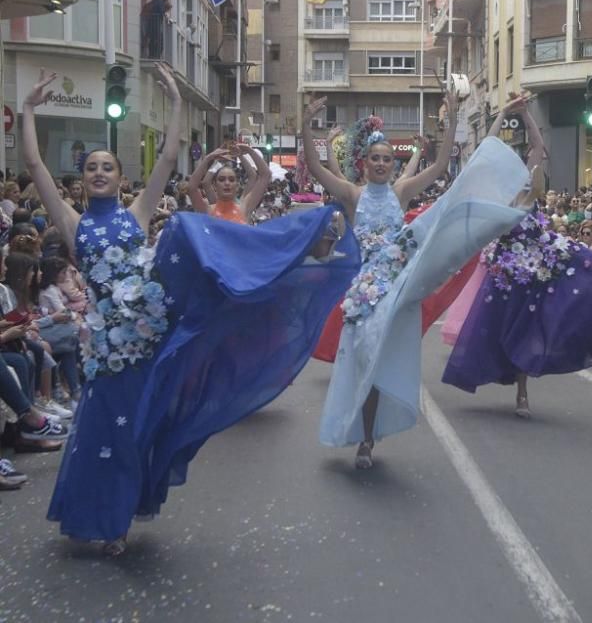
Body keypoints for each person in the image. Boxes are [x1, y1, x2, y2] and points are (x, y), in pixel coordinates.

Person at [24, 65, 359, 555]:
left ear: (119, 180)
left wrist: (179, 102)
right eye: (91, 167)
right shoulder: (73, 225)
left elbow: (166, 159)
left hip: (146, 341)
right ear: (82, 178)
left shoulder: (138, 213)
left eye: (107, 167)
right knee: (101, 436)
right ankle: (95, 516)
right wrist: (28, 109)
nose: (98, 173)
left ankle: (117, 519)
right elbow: (34, 166)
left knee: (136, 431)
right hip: (104, 354)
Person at [309, 91, 534, 469]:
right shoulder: (352, 195)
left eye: (387, 159)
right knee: (362, 362)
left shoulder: (401, 192)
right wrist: (306, 125)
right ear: (364, 164)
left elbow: (444, 164)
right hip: (363, 293)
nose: (382, 163)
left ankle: (366, 440)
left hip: (397, 291)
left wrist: (452, 118)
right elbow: (317, 169)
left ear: (392, 166)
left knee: (378, 362)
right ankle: (360, 427)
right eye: (376, 159)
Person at [441, 94, 592, 415]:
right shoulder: (495, 188)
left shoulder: (529, 182)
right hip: (507, 265)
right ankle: (509, 379)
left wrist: (524, 114)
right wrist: (503, 112)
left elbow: (538, 145)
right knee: (502, 326)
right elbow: (485, 148)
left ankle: (522, 392)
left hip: (539, 258)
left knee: (583, 280)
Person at [188, 144, 269, 224]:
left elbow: (265, 175)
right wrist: (208, 158)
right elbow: (192, 187)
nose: (227, 183)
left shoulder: (244, 208)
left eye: (231, 180)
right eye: (221, 179)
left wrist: (249, 150)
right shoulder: (207, 210)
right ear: (215, 186)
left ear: (237, 185)